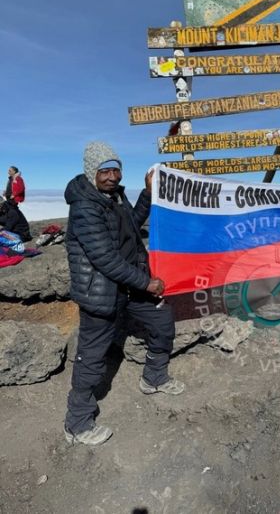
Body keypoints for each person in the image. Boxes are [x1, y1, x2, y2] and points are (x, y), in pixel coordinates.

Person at [64, 141, 184, 447]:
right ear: (92, 172)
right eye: (105, 170)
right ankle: (77, 423)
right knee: (91, 357)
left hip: (130, 286)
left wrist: (146, 192)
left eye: (116, 169)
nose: (112, 176)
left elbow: (132, 223)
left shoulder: (114, 197)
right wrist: (147, 283)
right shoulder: (84, 206)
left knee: (162, 322)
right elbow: (104, 258)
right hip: (101, 292)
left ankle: (153, 378)